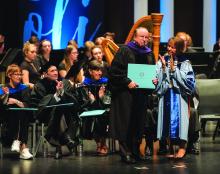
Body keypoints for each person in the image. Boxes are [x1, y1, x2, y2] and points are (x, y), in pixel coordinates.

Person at [109, 27, 155, 164]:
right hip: (126, 94)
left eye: (147, 37)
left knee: (138, 123)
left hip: (141, 94)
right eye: (142, 37)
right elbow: (114, 71)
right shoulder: (124, 50)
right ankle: (125, 152)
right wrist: (127, 82)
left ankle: (136, 151)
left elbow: (151, 73)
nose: (145, 40)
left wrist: (153, 80)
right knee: (126, 122)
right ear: (134, 37)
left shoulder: (149, 53)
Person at [153, 36, 195, 159]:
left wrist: (174, 70)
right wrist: (163, 69)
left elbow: (189, 82)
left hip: (179, 95)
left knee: (180, 122)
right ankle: (170, 147)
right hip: (166, 92)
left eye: (172, 46)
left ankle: (182, 147)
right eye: (168, 46)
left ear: (179, 48)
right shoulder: (162, 60)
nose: (169, 48)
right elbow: (158, 77)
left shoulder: (185, 62)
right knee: (167, 120)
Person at [30, 62, 80, 159]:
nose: (56, 73)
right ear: (45, 73)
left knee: (59, 111)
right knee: (57, 108)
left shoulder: (63, 83)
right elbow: (41, 106)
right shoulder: (39, 86)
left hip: (61, 115)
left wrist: (61, 92)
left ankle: (59, 148)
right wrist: (56, 95)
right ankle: (66, 139)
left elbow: (72, 100)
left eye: (56, 70)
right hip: (45, 114)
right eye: (52, 71)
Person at [0, 64, 33, 159]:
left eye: (20, 74)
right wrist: (6, 95)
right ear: (9, 75)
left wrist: (15, 101)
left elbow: (27, 105)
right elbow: (2, 105)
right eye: (16, 74)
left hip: (21, 116)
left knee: (21, 112)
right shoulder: (4, 88)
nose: (19, 77)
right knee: (19, 113)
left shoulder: (24, 88)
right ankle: (23, 147)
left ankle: (18, 141)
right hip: (7, 117)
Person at [82, 60, 110, 156]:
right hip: (90, 110)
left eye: (100, 70)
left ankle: (102, 143)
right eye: (97, 70)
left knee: (103, 114)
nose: (100, 73)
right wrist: (92, 100)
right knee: (96, 115)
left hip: (105, 110)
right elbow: (83, 103)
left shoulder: (105, 83)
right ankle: (100, 143)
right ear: (90, 71)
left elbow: (110, 101)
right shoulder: (85, 84)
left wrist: (102, 97)